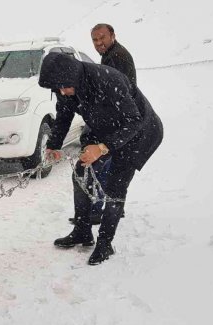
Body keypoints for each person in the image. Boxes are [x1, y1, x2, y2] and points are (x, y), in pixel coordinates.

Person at [38, 52, 163, 265]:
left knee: (115, 187)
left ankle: (105, 243)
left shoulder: (109, 80)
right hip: (104, 127)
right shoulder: (65, 85)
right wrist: (54, 144)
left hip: (138, 132)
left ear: (74, 77)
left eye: (64, 87)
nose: (62, 92)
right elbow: (65, 114)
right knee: (81, 173)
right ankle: (82, 231)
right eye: (57, 89)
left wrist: (103, 148)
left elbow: (133, 121)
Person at [70, 23, 139, 226]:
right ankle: (110, 208)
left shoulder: (117, 57)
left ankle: (96, 212)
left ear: (113, 36)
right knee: (110, 166)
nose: (99, 43)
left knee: (100, 165)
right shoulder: (110, 54)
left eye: (102, 38)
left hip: (117, 119)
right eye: (95, 40)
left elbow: (113, 91)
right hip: (117, 118)